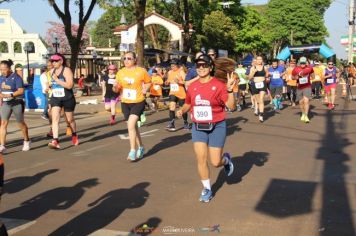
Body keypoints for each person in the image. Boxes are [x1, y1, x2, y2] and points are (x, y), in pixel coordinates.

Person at [176, 54, 235, 203]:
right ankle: (207, 188)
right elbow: (188, 103)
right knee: (201, 159)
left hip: (217, 126)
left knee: (215, 162)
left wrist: (229, 91)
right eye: (198, 66)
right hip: (198, 127)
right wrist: (182, 110)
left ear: (210, 67)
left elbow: (231, 106)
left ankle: (226, 161)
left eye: (204, 65)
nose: (201, 68)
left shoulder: (219, 85)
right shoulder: (193, 86)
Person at [114, 51, 151, 161]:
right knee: (133, 127)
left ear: (135, 60)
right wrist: (115, 88)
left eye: (129, 58)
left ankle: (132, 151)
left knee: (130, 125)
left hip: (138, 101)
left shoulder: (141, 71)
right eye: (124, 58)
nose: (126, 60)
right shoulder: (120, 72)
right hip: (125, 102)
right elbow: (117, 88)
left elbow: (148, 82)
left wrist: (146, 88)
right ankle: (141, 147)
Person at [48, 53, 78, 149]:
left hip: (67, 98)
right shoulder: (51, 71)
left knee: (70, 120)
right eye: (52, 61)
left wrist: (57, 80)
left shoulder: (67, 70)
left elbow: (70, 85)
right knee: (55, 118)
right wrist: (49, 87)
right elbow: (52, 84)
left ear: (61, 61)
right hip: (56, 98)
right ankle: (55, 140)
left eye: (56, 61)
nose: (53, 62)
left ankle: (74, 134)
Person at [0, 59, 30, 153]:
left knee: (20, 123)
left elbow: (21, 90)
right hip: (6, 103)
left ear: (9, 68)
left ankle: (26, 141)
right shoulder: (1, 78)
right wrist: (1, 96)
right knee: (3, 123)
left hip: (17, 102)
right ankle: (2, 145)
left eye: (4, 69)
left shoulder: (16, 77)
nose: (3, 71)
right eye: (1, 69)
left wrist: (11, 95)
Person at [165, 59, 189, 131]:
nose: (172, 67)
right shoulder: (169, 72)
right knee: (172, 106)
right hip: (172, 92)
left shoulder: (181, 72)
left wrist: (179, 81)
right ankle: (172, 124)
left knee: (182, 109)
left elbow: (186, 82)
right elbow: (169, 80)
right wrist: (167, 82)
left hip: (181, 93)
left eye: (174, 65)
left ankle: (185, 122)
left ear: (177, 65)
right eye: (171, 65)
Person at [292, 56, 314, 123]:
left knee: (306, 101)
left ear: (306, 62)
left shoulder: (309, 68)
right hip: (299, 87)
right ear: (299, 62)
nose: (302, 64)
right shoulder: (296, 69)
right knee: (301, 102)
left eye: (304, 63)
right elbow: (292, 77)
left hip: (307, 86)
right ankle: (303, 113)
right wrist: (297, 77)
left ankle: (306, 115)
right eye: (301, 63)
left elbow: (313, 75)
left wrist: (312, 76)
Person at [249, 56, 268, 122]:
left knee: (261, 99)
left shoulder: (265, 67)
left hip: (262, 84)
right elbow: (249, 77)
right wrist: (253, 72)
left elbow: (267, 74)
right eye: (258, 59)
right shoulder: (252, 68)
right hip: (255, 84)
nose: (259, 60)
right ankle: (258, 110)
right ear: (256, 60)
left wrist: (267, 77)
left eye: (261, 59)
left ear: (262, 60)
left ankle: (261, 115)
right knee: (258, 101)